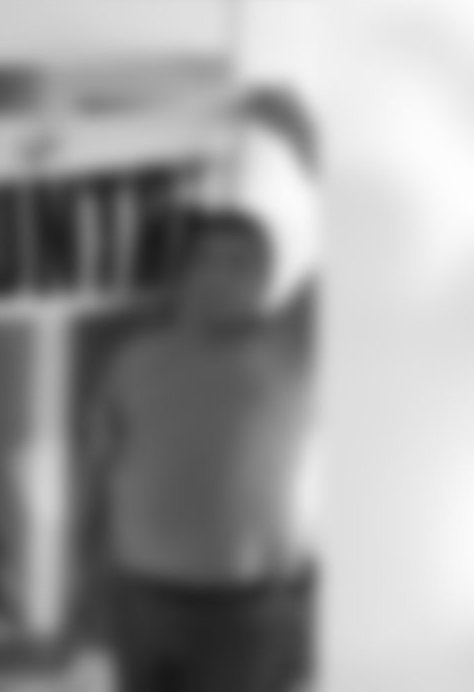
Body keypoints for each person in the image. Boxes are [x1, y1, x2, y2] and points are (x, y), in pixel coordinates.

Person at [85, 90, 318, 692]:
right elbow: (104, 472)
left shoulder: (289, 348)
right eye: (208, 259)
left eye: (241, 263)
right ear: (183, 274)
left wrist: (304, 143)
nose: (221, 273)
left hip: (242, 616)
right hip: (137, 602)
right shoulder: (133, 359)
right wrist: (89, 592)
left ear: (266, 283)